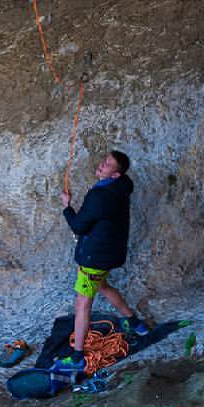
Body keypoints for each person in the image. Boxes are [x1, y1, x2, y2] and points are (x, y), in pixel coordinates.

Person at [58, 150, 148, 372]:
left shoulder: (100, 196)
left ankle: (78, 356)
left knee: (82, 304)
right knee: (103, 286)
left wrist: (66, 207)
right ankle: (136, 323)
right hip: (109, 255)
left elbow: (79, 226)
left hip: (94, 258)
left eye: (107, 165)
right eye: (104, 161)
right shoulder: (122, 187)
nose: (101, 165)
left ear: (116, 174)